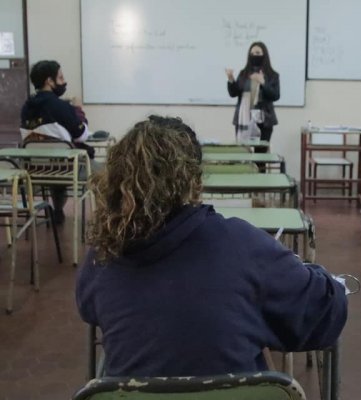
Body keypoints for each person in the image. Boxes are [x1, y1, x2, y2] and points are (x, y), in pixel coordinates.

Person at [76, 116, 347, 377]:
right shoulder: (241, 244)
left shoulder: (103, 254)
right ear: (194, 181)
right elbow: (323, 314)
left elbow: (88, 307)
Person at [20, 60, 95, 224]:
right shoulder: (59, 106)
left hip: (34, 169)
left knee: (56, 158)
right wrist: (78, 109)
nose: (64, 82)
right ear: (49, 81)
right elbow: (82, 135)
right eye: (60, 78)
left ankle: (58, 211)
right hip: (65, 169)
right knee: (100, 171)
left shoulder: (26, 108)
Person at [226, 41, 279, 171]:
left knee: (260, 156)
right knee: (243, 152)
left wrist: (263, 82)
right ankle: (246, 184)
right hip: (243, 118)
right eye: (252, 53)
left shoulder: (272, 75)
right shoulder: (244, 73)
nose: (255, 55)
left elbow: (275, 95)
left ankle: (260, 187)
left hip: (264, 120)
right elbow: (234, 93)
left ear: (264, 54)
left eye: (258, 53)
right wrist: (231, 79)